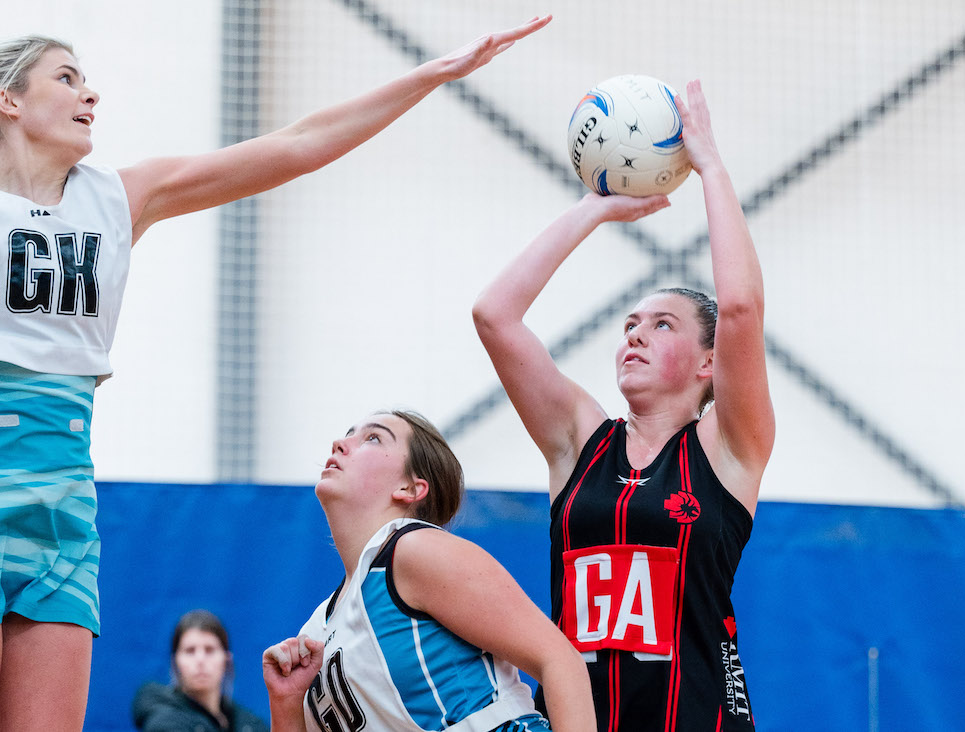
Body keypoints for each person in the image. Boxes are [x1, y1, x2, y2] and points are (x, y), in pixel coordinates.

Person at [0, 16, 550, 731]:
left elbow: (295, 145)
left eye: (88, 80)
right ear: (9, 100)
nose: (90, 94)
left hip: (62, 499)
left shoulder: (114, 198)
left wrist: (430, 75)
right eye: (66, 78)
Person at [472, 80, 775, 731]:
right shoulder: (579, 441)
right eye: (631, 323)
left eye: (662, 324)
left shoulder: (728, 450)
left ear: (707, 363)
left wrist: (712, 167)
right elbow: (495, 315)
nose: (634, 332)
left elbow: (743, 309)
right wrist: (595, 209)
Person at [261, 410, 595, 732]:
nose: (340, 443)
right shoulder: (317, 629)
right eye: (348, 434)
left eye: (373, 438)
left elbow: (560, 661)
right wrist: (286, 701)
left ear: (410, 488)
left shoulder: (413, 550)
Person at [131, 609, 269, 732]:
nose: (200, 660)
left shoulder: (249, 724)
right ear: (175, 662)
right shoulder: (163, 721)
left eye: (210, 650)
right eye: (190, 651)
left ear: (226, 660)